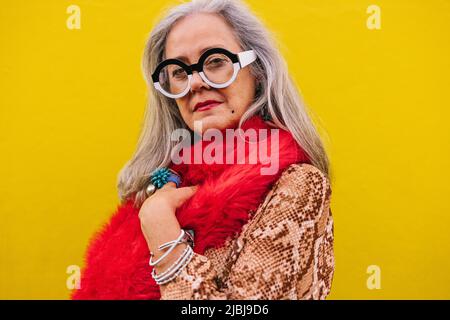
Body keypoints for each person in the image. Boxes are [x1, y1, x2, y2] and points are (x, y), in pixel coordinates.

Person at [71, 0, 334, 300]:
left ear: (257, 70)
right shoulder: (164, 181)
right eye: (179, 72)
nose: (195, 82)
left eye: (216, 61)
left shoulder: (297, 184)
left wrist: (163, 233)